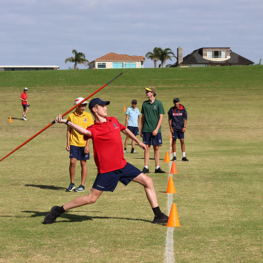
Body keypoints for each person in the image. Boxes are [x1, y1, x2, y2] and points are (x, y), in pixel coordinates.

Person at [44, 98, 168, 225]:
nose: (106, 108)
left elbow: (124, 129)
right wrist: (66, 122)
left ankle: (158, 216)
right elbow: (84, 131)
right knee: (91, 198)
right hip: (107, 170)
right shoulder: (93, 128)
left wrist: (138, 141)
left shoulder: (113, 120)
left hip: (122, 165)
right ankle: (59, 210)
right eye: (103, 106)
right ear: (95, 109)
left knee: (148, 181)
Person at [65, 97, 94, 192]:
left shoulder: (88, 116)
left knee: (83, 163)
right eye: (82, 105)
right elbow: (68, 131)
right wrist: (68, 143)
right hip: (74, 143)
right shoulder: (71, 116)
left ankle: (82, 185)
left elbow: (90, 131)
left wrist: (87, 146)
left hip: (84, 143)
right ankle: (72, 183)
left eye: (85, 105)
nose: (84, 107)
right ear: (77, 106)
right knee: (72, 162)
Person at [140, 87, 165, 174]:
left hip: (156, 130)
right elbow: (142, 118)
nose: (146, 93)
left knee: (156, 148)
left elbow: (161, 117)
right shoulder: (144, 104)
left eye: (148, 92)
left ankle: (157, 167)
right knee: (146, 148)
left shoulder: (159, 103)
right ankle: (146, 167)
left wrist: (157, 129)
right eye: (146, 91)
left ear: (153, 93)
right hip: (146, 129)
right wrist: (141, 129)